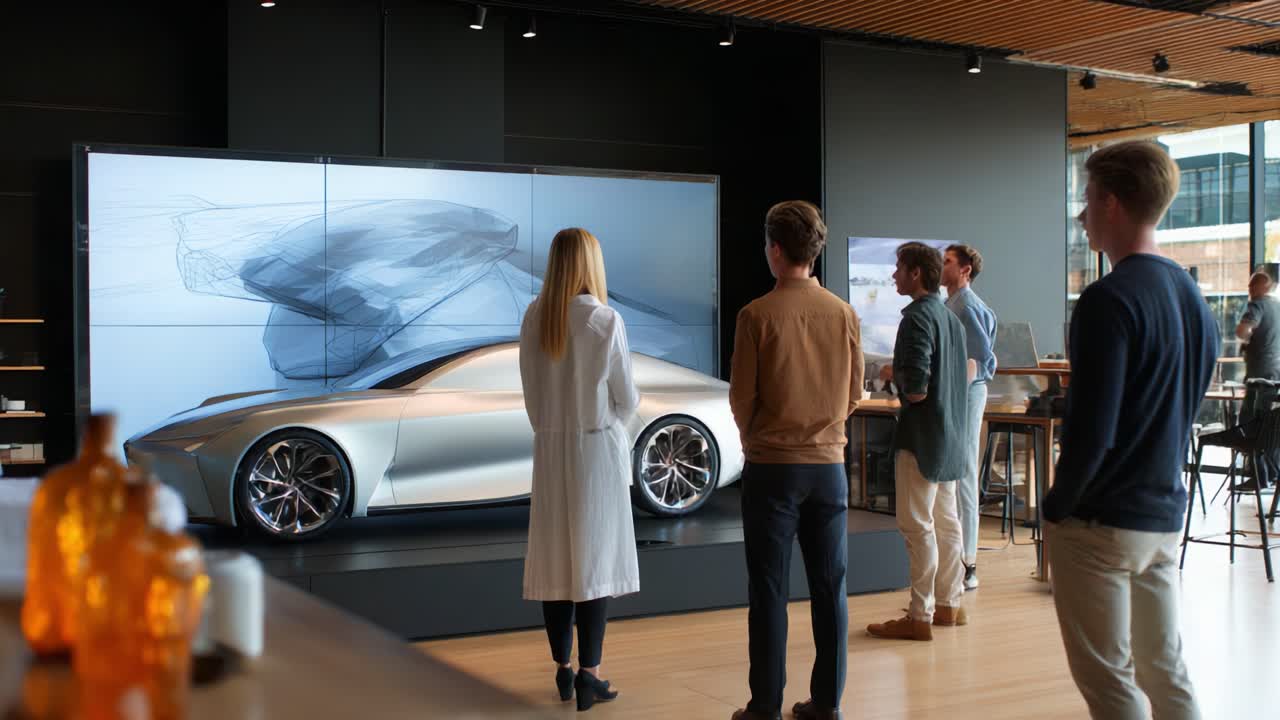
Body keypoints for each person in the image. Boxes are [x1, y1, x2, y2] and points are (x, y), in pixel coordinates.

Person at [1044, 140, 1214, 720]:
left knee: (1110, 683)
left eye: (1088, 199)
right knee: (1165, 671)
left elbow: (1094, 429)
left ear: (1112, 203)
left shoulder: (1107, 300)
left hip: (1101, 522)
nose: (1082, 214)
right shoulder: (1193, 298)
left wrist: (1057, 506)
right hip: (1162, 516)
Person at [729, 200, 863, 720]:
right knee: (831, 588)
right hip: (829, 468)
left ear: (775, 249)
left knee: (768, 590)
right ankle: (828, 703)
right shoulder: (844, 313)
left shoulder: (756, 315)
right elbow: (853, 394)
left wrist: (755, 440)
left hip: (772, 467)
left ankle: (764, 705)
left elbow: (742, 398)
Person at [518, 227, 640, 712]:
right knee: (594, 562)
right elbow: (627, 397)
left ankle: (563, 669)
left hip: (550, 450)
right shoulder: (605, 319)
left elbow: (531, 397)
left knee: (556, 561)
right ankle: (591, 673)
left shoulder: (535, 317)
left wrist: (551, 428)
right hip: (596, 452)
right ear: (592, 264)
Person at [867, 242, 969, 642]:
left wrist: (892, 373)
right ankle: (949, 605)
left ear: (915, 273)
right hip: (951, 439)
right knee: (947, 523)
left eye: (898, 268)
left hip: (922, 438)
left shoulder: (916, 319)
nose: (894, 275)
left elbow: (916, 389)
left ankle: (918, 615)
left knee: (917, 526)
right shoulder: (951, 320)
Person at [941, 244, 998, 590]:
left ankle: (968, 563)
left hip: (966, 394)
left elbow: (979, 361)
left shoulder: (968, 306)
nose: (941, 264)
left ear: (964, 270)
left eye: (947, 261)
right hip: (956, 393)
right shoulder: (950, 303)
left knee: (963, 472)